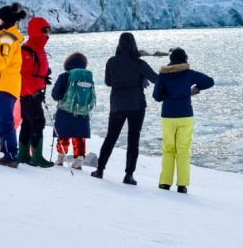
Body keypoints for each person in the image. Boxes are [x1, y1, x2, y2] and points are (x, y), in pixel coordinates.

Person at [92, 32, 158, 185]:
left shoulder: (111, 62)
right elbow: (156, 79)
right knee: (133, 139)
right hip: (137, 105)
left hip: (117, 105)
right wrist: (142, 78)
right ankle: (129, 175)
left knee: (111, 137)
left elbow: (108, 82)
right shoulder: (139, 63)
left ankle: (100, 169)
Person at [153, 48, 214, 193]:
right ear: (185, 58)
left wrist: (167, 94)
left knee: (168, 149)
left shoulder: (163, 75)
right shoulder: (189, 73)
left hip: (168, 115)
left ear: (171, 59)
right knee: (183, 150)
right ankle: (182, 185)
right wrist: (192, 90)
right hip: (185, 115)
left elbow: (156, 96)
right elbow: (210, 82)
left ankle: (165, 183)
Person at [0, 3, 28, 167]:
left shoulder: (6, 39)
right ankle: (8, 154)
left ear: (3, 19)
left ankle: (10, 156)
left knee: (4, 122)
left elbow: (2, 62)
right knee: (1, 121)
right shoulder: (3, 37)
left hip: (4, 85)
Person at [18, 16, 55, 168]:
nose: (47, 33)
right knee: (38, 122)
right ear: (36, 31)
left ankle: (24, 154)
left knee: (28, 122)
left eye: (48, 30)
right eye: (44, 30)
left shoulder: (37, 48)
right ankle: (37, 157)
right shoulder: (28, 49)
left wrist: (44, 76)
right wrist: (34, 91)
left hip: (33, 91)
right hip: (29, 93)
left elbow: (35, 69)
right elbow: (25, 74)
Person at [50, 52, 96, 169]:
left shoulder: (64, 76)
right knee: (79, 136)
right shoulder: (88, 78)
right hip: (83, 112)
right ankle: (79, 160)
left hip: (65, 110)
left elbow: (55, 95)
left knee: (63, 135)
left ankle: (60, 158)